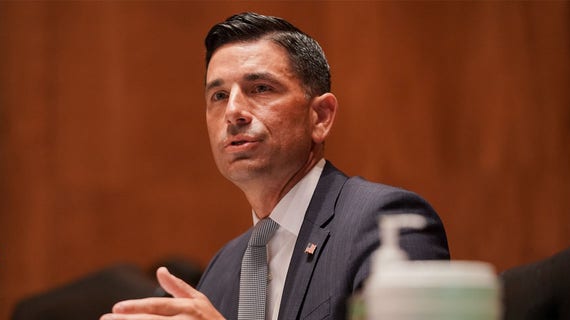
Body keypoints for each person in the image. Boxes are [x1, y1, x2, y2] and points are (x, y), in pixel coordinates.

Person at [100, 12, 449, 320]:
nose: (233, 111)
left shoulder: (383, 224)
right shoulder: (224, 269)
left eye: (261, 88)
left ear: (321, 117)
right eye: (218, 96)